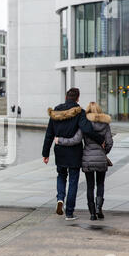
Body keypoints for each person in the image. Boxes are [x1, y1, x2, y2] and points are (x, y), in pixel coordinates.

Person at [42, 88, 105, 221]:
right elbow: (87, 129)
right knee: (73, 181)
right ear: (77, 98)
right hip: (74, 152)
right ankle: (69, 212)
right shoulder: (79, 112)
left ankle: (60, 199)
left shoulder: (56, 111)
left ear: (66, 97)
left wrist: (45, 153)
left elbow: (49, 133)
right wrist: (101, 140)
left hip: (59, 151)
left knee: (61, 175)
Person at [56, 102, 114, 221]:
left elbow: (76, 140)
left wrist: (60, 140)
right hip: (101, 159)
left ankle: (92, 213)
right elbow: (109, 142)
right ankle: (99, 208)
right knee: (100, 184)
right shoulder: (105, 125)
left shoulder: (85, 124)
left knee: (90, 186)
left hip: (87, 158)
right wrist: (104, 153)